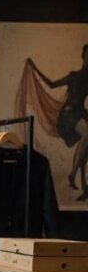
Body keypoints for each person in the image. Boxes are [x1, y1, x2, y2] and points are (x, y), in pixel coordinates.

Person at [29, 46, 88, 199]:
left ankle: (83, 183)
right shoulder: (74, 76)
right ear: (83, 56)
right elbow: (52, 84)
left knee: (85, 145)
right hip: (69, 115)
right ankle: (73, 174)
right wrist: (35, 68)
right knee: (87, 135)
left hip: (81, 114)